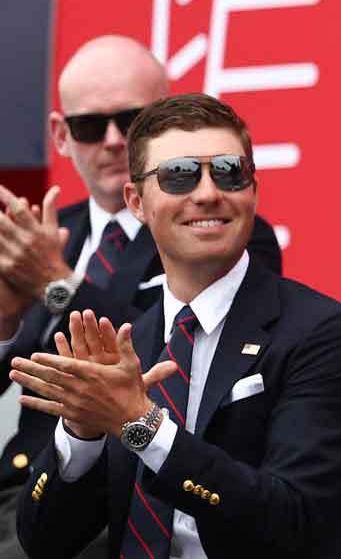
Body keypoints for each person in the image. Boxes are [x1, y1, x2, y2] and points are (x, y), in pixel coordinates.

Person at [9, 93, 341, 557]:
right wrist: (82, 432)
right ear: (136, 201)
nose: (207, 193)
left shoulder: (327, 335)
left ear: (253, 189)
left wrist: (141, 425)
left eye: (229, 172)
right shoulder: (134, 343)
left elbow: (295, 522)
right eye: (179, 175)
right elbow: (43, 542)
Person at [0, 36, 282, 559]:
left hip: (135, 494)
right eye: (90, 126)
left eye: (131, 119)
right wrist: (4, 322)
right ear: (61, 135)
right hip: (32, 483)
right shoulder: (41, 235)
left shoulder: (217, 231)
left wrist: (56, 284)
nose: (112, 140)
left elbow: (178, 352)